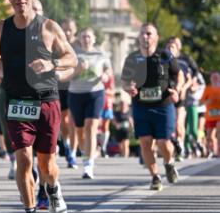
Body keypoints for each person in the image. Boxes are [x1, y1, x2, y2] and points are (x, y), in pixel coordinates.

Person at [0, 0, 77, 213]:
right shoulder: (1, 28)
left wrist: (52, 64)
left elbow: (71, 58)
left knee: (47, 165)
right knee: (23, 158)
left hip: (46, 101)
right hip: (16, 102)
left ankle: (53, 189)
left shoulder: (49, 27)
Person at [121, 23, 182, 190]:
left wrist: (177, 90)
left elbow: (179, 74)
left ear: (156, 37)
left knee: (163, 142)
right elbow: (124, 81)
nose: (145, 36)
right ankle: (155, 177)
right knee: (145, 142)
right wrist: (128, 88)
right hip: (141, 106)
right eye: (142, 33)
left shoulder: (165, 55)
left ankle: (169, 163)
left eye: (149, 33)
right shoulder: (132, 58)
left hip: (164, 105)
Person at [67, 27, 113, 180]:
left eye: (89, 36)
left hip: (96, 93)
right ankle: (85, 155)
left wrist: (105, 76)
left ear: (94, 39)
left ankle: (89, 165)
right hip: (76, 94)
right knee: (80, 131)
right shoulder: (73, 54)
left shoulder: (101, 54)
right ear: (79, 39)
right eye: (83, 36)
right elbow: (66, 75)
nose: (86, 39)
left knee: (91, 127)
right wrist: (78, 70)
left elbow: (108, 71)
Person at [59, 17, 79, 168]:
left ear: (75, 30)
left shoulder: (79, 45)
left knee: (73, 121)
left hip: (77, 87)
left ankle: (72, 153)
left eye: (70, 29)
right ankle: (66, 143)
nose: (67, 32)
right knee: (64, 121)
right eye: (64, 29)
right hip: (61, 86)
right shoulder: (57, 44)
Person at [200, 72, 220, 157]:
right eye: (213, 77)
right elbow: (202, 102)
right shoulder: (208, 89)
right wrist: (208, 101)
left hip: (219, 115)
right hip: (210, 115)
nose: (215, 79)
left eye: (216, 77)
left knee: (219, 132)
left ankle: (218, 151)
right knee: (209, 136)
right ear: (211, 79)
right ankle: (212, 150)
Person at [111, 92, 133, 158]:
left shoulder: (129, 112)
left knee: (126, 144)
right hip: (119, 130)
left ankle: (126, 157)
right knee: (120, 145)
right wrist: (116, 124)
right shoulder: (117, 113)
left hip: (127, 130)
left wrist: (132, 127)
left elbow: (131, 120)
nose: (123, 106)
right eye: (122, 104)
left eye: (124, 104)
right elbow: (113, 120)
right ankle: (122, 155)